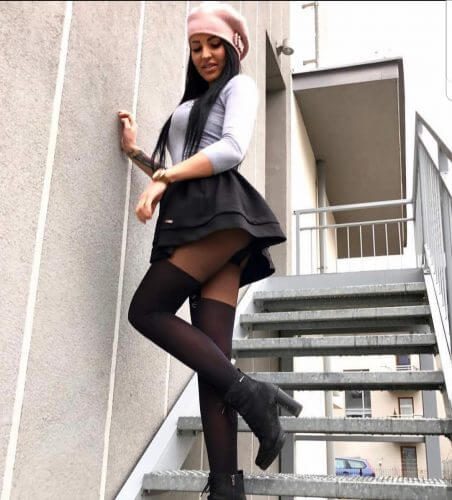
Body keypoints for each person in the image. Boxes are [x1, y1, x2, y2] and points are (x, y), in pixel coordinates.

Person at [118, 2, 302, 498]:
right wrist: (138, 154)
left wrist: (163, 177)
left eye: (214, 44)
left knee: (146, 310)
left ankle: (252, 393)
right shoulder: (195, 101)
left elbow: (231, 149)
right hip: (203, 216)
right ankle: (226, 485)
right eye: (196, 46)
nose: (204, 54)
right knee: (212, 360)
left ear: (233, 47)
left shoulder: (240, 87)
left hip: (218, 217)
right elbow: (178, 169)